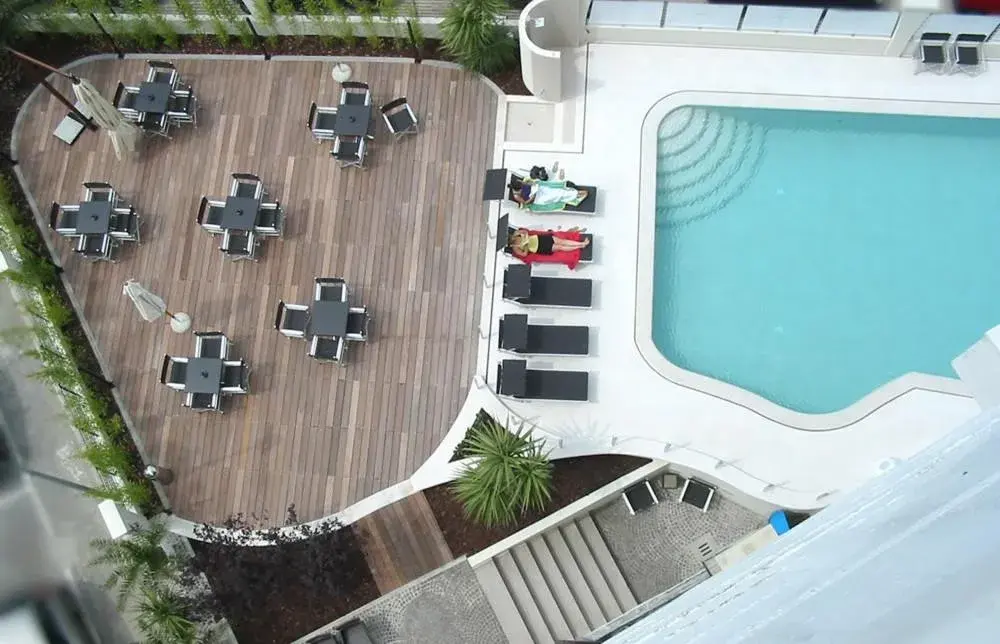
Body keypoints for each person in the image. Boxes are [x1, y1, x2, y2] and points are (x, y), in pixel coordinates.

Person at [509, 176, 588, 210]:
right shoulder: (516, 196)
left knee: (557, 191)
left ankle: (575, 194)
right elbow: (525, 203)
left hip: (537, 189)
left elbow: (527, 184)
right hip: (536, 198)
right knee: (555, 196)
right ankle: (575, 195)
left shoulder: (518, 182)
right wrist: (532, 197)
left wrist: (533, 184)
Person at [509, 227, 590, 258]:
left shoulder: (516, 234)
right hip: (538, 247)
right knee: (560, 247)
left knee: (562, 241)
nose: (513, 238)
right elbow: (524, 254)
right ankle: (580, 246)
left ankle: (581, 243)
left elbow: (525, 231)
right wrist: (526, 247)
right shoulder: (515, 247)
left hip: (539, 239)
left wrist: (523, 234)